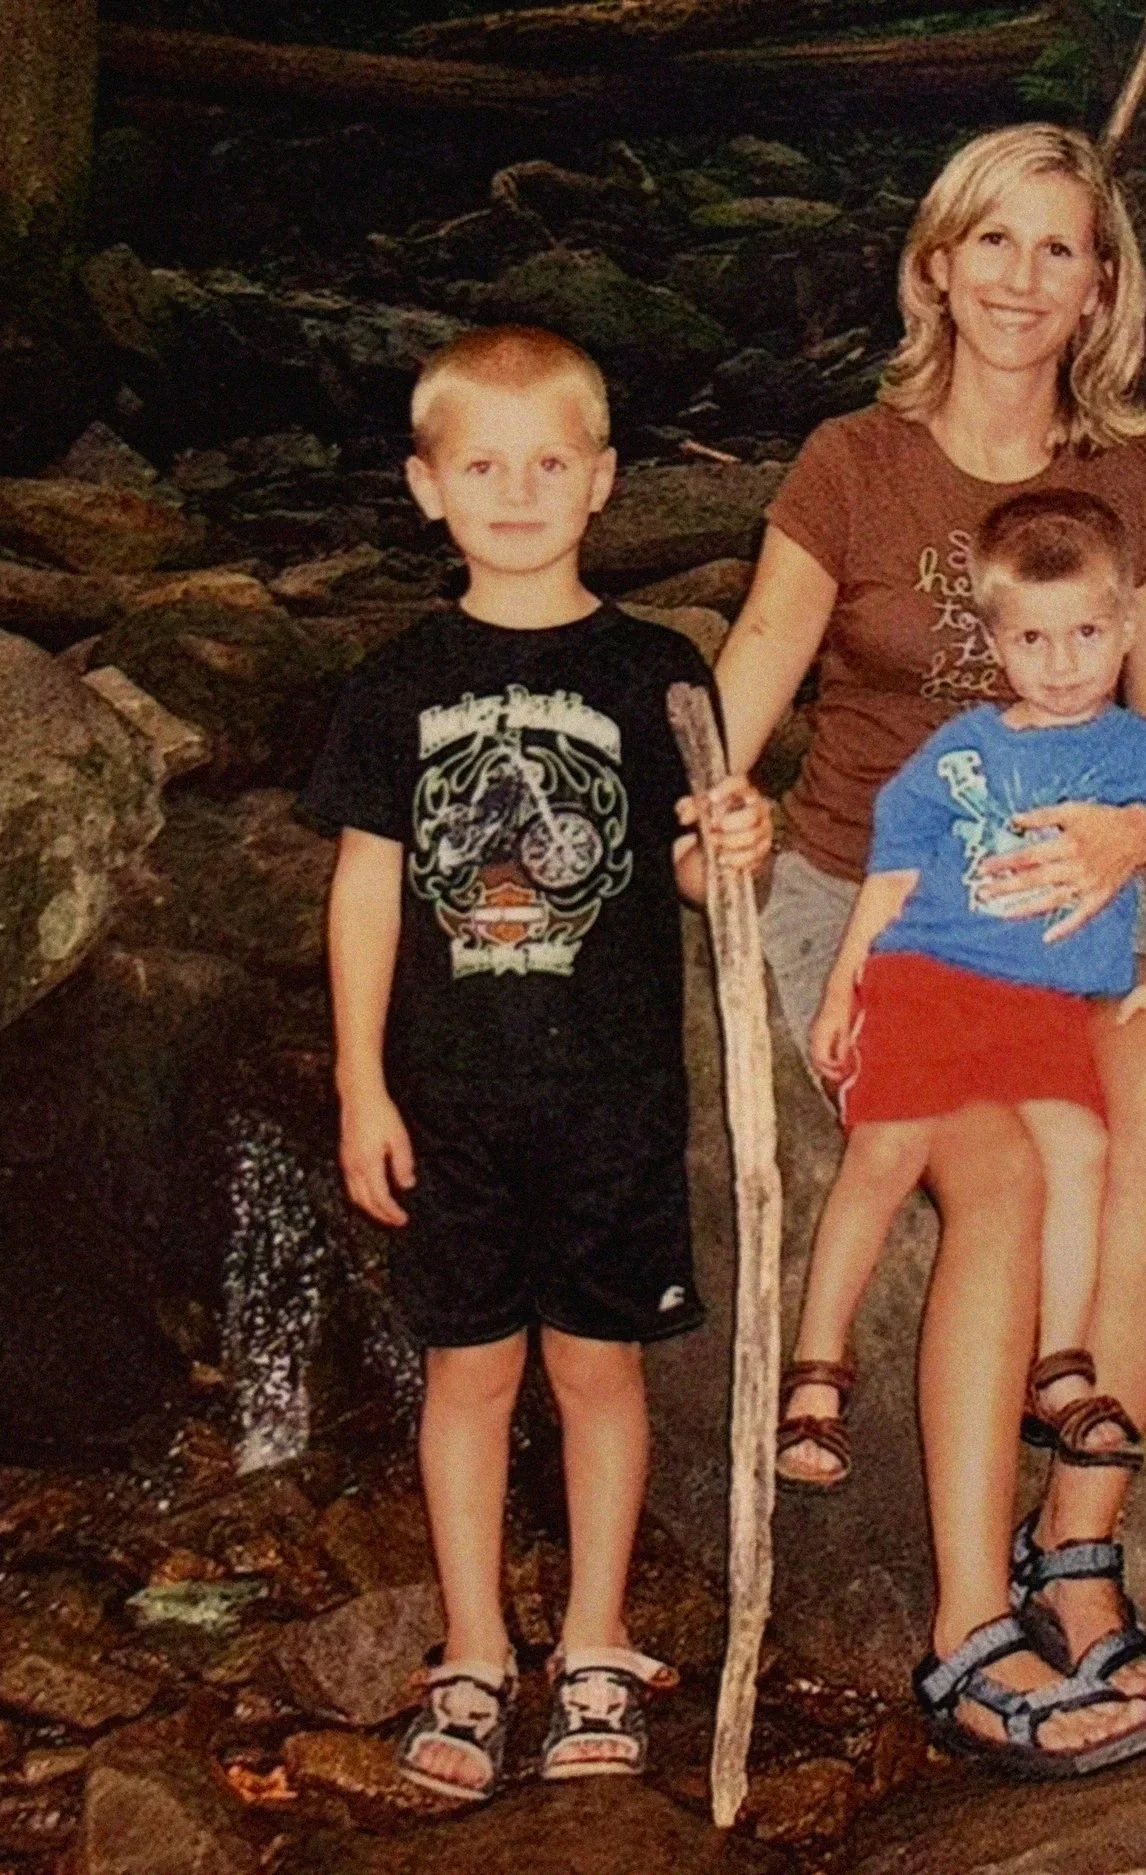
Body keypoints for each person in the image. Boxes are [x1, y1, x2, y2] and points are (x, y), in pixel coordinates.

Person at [717, 122, 1146, 1768]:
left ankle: (1078, 1545)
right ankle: (965, 1632)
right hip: (872, 894)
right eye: (992, 240)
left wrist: (1137, 839)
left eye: (1058, 246)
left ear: (1100, 286)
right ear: (936, 264)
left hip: (1076, 904)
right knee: (998, 1164)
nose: (1021, 278)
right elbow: (755, 667)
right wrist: (706, 808)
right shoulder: (851, 462)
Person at [302, 326, 770, 1801]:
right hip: (449, 1103)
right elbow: (368, 888)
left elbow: (690, 877)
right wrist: (361, 1083)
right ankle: (471, 1649)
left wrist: (734, 846)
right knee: (468, 1372)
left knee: (598, 1368)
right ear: (426, 486)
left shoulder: (658, 672)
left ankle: (593, 1642)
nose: (517, 492)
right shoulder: (395, 682)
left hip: (612, 1099)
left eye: (549, 463)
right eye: (484, 466)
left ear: (604, 480)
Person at [779, 491, 1146, 1534]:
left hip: (1045, 1006)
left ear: (1129, 627)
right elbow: (890, 876)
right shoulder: (958, 752)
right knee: (885, 1152)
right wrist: (843, 986)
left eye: (1086, 634)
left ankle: (1061, 1365)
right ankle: (815, 1370)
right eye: (1031, 639)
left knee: (1080, 1148)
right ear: (992, 642)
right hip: (926, 977)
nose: (1061, 663)